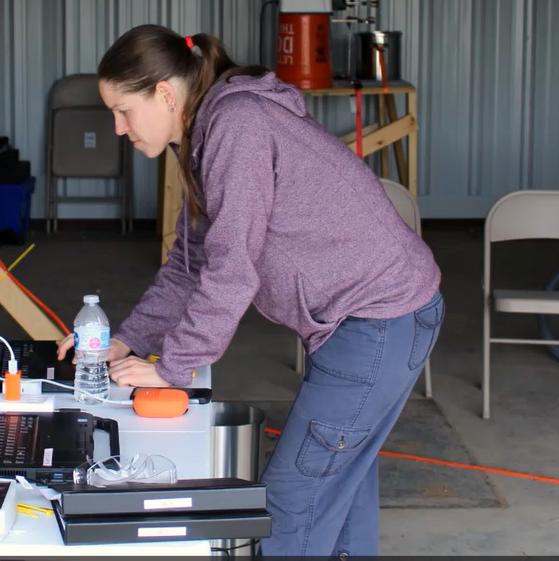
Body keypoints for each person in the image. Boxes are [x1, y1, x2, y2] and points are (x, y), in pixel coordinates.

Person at [56, 24, 444, 557]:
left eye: (123, 111)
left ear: (165, 95)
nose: (118, 129)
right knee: (338, 492)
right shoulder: (200, 137)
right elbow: (191, 266)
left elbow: (232, 270)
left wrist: (172, 367)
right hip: (368, 319)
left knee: (292, 499)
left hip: (378, 319)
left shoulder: (236, 127)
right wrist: (126, 339)